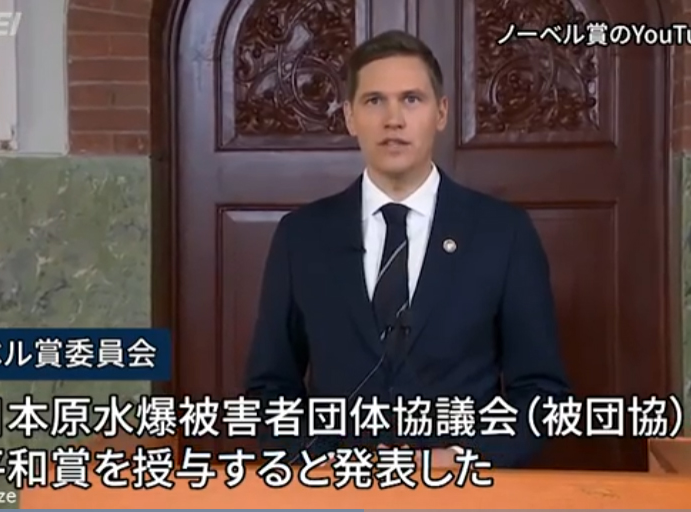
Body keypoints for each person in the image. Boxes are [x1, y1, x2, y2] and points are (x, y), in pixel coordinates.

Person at [244, 30, 570, 468]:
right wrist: (324, 461)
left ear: (441, 112)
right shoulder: (301, 236)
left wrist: (458, 458)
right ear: (350, 117)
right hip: (337, 487)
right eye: (374, 101)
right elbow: (269, 391)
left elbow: (541, 394)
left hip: (461, 487)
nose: (393, 119)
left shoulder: (502, 233)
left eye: (411, 100)